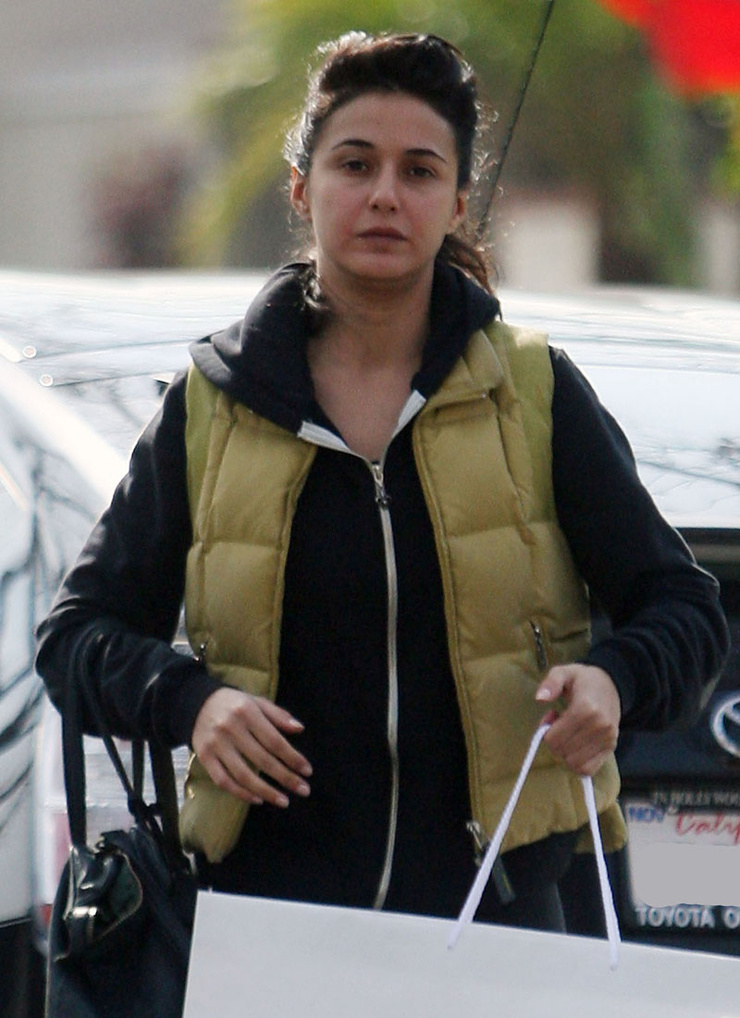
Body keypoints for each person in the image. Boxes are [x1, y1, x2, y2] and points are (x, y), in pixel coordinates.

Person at [36, 31, 728, 933]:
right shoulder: (213, 406)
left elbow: (685, 609)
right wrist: (191, 703)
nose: (385, 195)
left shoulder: (531, 391)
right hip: (268, 929)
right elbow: (75, 638)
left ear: (458, 203)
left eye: (419, 171)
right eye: (355, 164)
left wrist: (613, 681)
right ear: (302, 187)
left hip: (499, 924)